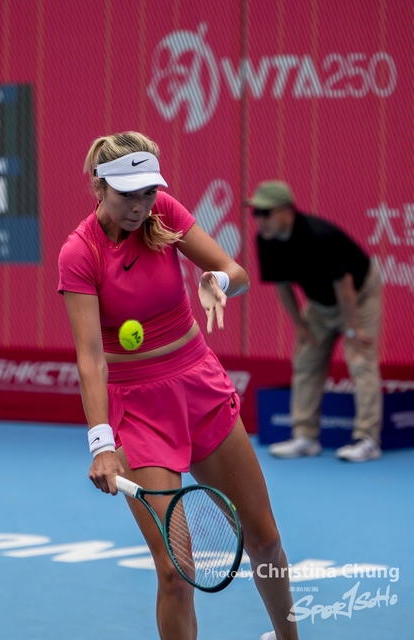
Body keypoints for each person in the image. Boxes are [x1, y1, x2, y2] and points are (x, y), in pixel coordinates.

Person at [58, 132, 299, 640]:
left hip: (198, 390)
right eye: (128, 195)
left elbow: (234, 272)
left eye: (148, 192)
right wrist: (101, 444)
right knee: (175, 570)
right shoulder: (79, 253)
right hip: (138, 411)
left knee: (266, 540)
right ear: (99, 188)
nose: (140, 206)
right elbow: (91, 359)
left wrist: (217, 282)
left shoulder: (162, 213)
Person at [248, 180, 383, 463]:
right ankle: (306, 437)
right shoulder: (265, 240)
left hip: (359, 296)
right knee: (306, 361)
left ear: (288, 211)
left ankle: (367, 439)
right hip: (320, 305)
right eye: (256, 213)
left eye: (266, 212)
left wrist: (352, 329)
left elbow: (344, 285)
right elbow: (282, 285)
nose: (260, 219)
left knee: (360, 359)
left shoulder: (319, 236)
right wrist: (300, 325)